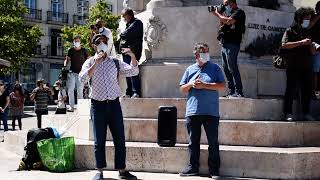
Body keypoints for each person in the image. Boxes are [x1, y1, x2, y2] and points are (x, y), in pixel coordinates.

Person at [79, 33, 139, 180]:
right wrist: (96, 63)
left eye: (104, 41)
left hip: (114, 104)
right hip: (97, 105)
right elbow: (82, 78)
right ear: (94, 46)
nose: (102, 44)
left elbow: (134, 71)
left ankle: (122, 170)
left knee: (120, 138)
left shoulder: (115, 61)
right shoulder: (89, 62)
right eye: (98, 42)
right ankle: (99, 171)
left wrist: (132, 56)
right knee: (99, 140)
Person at [179, 43, 225, 177]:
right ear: (196, 55)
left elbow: (222, 85)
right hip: (193, 111)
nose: (206, 54)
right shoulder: (190, 69)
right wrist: (191, 84)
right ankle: (193, 167)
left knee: (213, 142)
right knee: (193, 142)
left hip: (211, 112)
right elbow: (182, 88)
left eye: (207, 52)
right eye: (203, 52)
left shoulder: (215, 68)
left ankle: (214, 169)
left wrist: (204, 85)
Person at [281, 7, 316, 121]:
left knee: (307, 90)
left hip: (306, 65)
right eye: (306, 18)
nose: (308, 20)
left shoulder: (308, 31)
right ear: (300, 18)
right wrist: (301, 42)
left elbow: (313, 52)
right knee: (290, 89)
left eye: (309, 18)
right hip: (293, 64)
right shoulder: (290, 30)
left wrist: (311, 45)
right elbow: (284, 44)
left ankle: (306, 113)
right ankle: (287, 113)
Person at [212, 0, 246, 97]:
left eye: (226, 4)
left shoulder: (239, 12)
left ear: (233, 3)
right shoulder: (228, 13)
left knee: (232, 67)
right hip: (224, 43)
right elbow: (223, 23)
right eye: (224, 4)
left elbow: (228, 21)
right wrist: (221, 13)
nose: (225, 5)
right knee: (226, 68)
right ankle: (231, 91)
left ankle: (239, 92)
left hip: (233, 44)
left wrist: (216, 13)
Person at [120, 8, 143, 98]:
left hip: (133, 52)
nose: (124, 18)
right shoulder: (129, 23)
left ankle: (135, 91)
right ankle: (129, 91)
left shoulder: (137, 23)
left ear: (129, 15)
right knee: (127, 71)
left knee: (133, 71)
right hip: (126, 52)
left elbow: (126, 34)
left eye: (124, 16)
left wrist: (122, 34)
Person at [64, 35, 89, 112]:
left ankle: (80, 107)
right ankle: (71, 107)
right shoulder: (71, 50)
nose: (76, 42)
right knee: (70, 89)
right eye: (75, 41)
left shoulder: (84, 50)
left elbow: (88, 60)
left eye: (78, 41)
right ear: (73, 42)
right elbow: (67, 59)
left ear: (80, 42)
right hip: (72, 72)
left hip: (81, 73)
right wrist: (65, 65)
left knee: (80, 90)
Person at [310, 1, 320, 99]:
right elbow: (307, 27)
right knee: (315, 71)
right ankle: (313, 93)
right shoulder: (312, 17)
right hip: (315, 48)